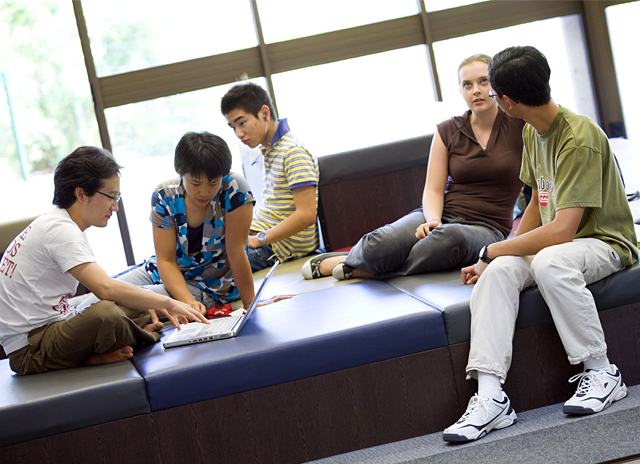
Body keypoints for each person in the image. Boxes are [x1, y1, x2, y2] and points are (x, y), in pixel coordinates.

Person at [443, 46, 638, 443]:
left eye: (493, 91)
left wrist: (491, 248)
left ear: (509, 102)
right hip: (559, 244)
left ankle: (602, 371)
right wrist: (499, 255)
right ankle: (491, 396)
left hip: (604, 241)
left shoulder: (578, 137)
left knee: (549, 262)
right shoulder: (533, 129)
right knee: (497, 273)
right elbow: (537, 202)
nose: (490, 98)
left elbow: (564, 230)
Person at [301, 54, 525, 281]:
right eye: (467, 84)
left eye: (483, 81)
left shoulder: (519, 125)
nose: (476, 90)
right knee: (381, 242)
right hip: (441, 215)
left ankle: (364, 269)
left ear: (495, 84)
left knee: (448, 241)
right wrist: (433, 220)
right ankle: (357, 258)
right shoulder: (447, 130)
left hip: (487, 227)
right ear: (460, 90)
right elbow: (433, 190)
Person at [0, 147, 208, 375]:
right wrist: (169, 302)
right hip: (30, 350)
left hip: (56, 326)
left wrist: (143, 300)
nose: (115, 207)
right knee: (107, 313)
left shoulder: (61, 224)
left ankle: (115, 342)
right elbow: (105, 288)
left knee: (133, 302)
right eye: (111, 197)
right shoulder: (60, 231)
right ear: (81, 194)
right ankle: (123, 344)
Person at [76, 132, 258, 313]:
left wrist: (251, 305)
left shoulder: (234, 188)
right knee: (90, 305)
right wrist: (186, 302)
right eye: (195, 183)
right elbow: (165, 261)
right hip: (159, 272)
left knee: (112, 308)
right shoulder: (164, 195)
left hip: (208, 288)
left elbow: (237, 251)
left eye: (213, 183)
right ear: (180, 173)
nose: (204, 192)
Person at [221, 82, 319, 272]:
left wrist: (259, 239)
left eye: (242, 123)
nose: (239, 134)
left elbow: (307, 215)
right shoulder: (272, 150)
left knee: (202, 269)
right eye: (233, 127)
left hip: (275, 248)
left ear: (264, 113)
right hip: (260, 237)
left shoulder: (293, 152)